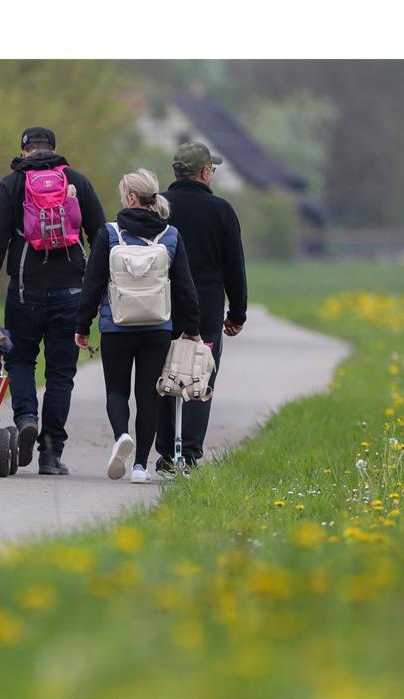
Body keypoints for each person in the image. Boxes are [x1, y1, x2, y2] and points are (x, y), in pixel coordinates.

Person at [0, 126, 107, 475]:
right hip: (71, 294)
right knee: (61, 374)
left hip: (24, 291)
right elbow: (102, 237)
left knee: (20, 362)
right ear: (55, 148)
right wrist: (94, 282)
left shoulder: (12, 184)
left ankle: (26, 418)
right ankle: (50, 455)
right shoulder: (77, 180)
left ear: (24, 150)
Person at [75, 169, 202, 483]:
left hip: (116, 327)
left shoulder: (109, 234)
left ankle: (121, 435)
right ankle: (141, 467)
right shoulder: (171, 235)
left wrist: (82, 324)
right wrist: (193, 327)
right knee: (149, 396)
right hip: (157, 328)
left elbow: (92, 284)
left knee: (116, 391)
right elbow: (185, 287)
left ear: (131, 197)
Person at [154, 142, 248, 476]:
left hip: (159, 305)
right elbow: (234, 266)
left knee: (164, 374)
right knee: (199, 376)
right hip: (206, 308)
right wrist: (236, 314)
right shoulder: (221, 210)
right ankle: (190, 454)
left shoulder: (159, 207)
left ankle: (165, 453)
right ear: (206, 172)